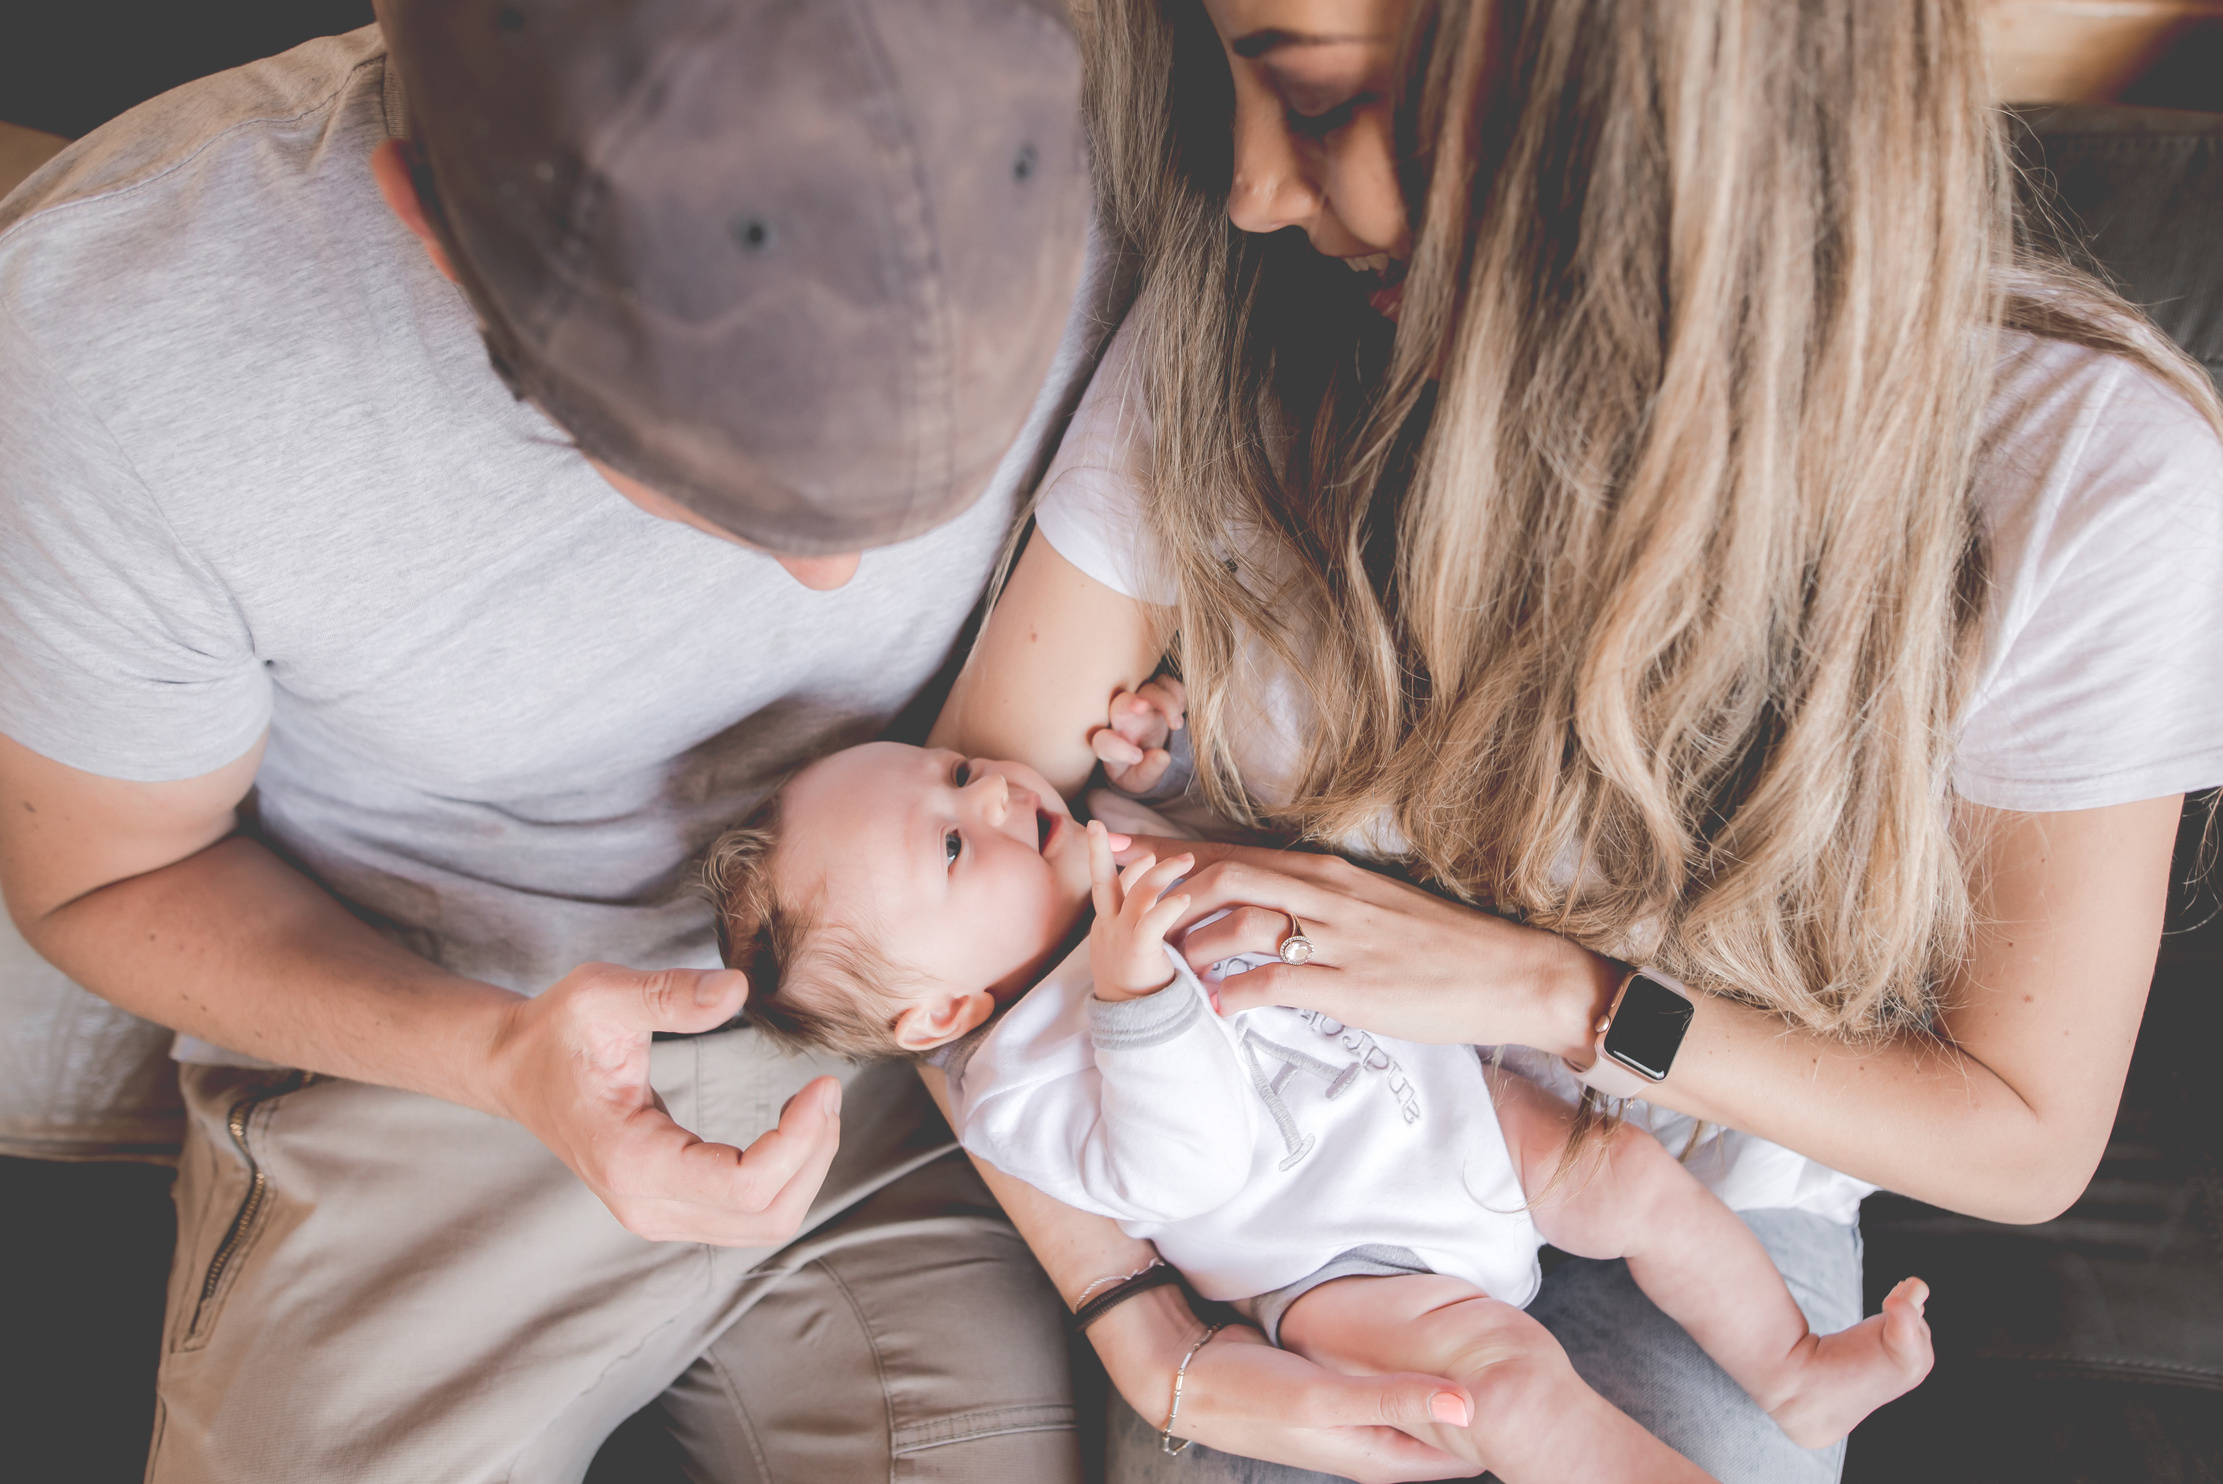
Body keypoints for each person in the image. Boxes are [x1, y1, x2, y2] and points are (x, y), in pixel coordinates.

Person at [922, 0, 2223, 1481]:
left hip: (1697, 1196)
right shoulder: (1245, 316)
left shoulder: (2080, 473)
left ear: (1602, 108)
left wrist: (1558, 994)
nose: (1249, 192)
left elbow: (2017, 1136)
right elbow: (943, 871)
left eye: (1320, 97)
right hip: (1293, 1187)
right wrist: (1143, 1329)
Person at [0, 0, 1127, 1478]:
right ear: (436, 224)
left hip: (906, 1057)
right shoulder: (113, 350)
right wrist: (496, 1058)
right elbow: (104, 881)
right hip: (437, 1056)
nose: (827, 582)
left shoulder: (1140, 88)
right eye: (726, 488)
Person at [697, 732, 1938, 1481]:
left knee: (1629, 1180)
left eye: (959, 772)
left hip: (1451, 1112)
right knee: (1503, 1387)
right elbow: (1186, 1167)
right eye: (955, 847)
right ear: (937, 1015)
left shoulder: (1108, 854)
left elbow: (1253, 837)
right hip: (1346, 1265)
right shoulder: (1013, 1087)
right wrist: (1134, 995)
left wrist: (1161, 761)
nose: (990, 796)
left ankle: (1790, 1366)